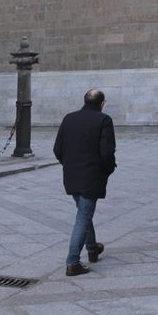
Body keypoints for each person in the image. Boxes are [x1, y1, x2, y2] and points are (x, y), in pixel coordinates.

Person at [53, 88, 117, 276]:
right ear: (102, 103)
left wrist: (69, 165)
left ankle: (92, 247)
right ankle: (73, 262)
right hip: (92, 176)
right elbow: (107, 152)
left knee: (83, 212)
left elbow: (57, 149)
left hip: (71, 175)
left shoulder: (69, 118)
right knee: (83, 217)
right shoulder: (104, 120)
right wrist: (107, 170)